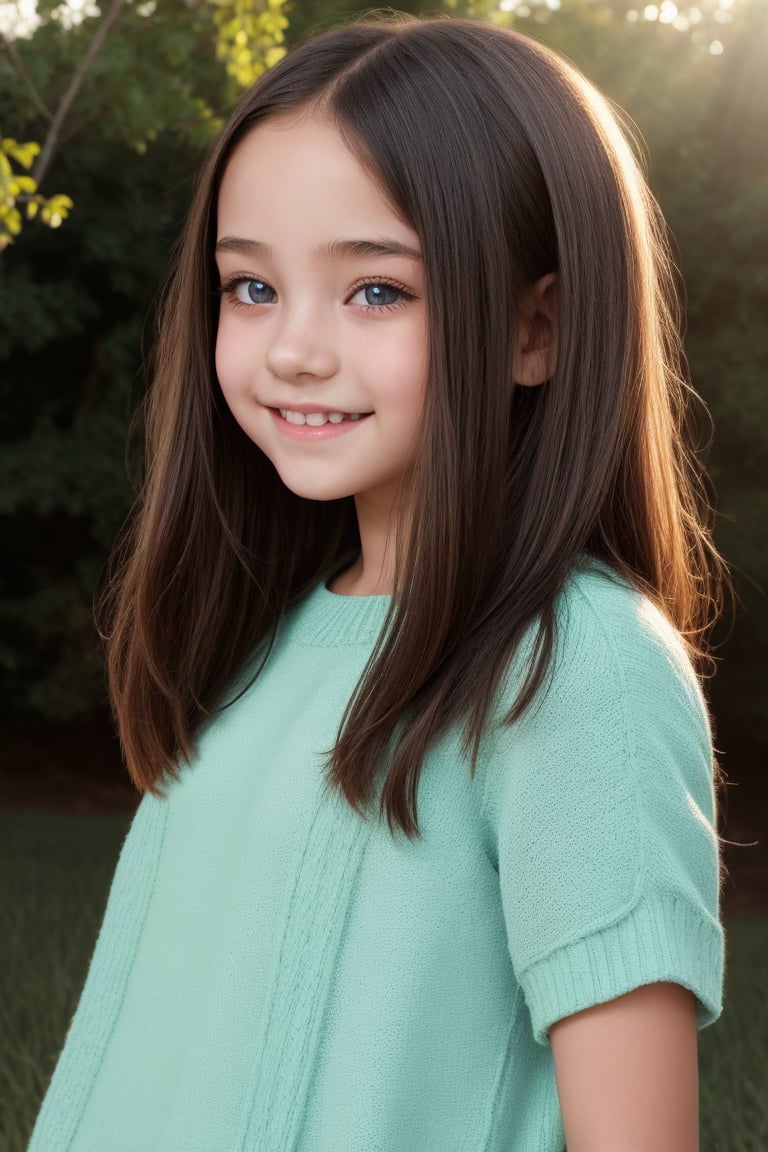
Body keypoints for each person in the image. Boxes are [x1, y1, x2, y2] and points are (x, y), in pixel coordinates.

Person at [28, 14, 730, 1152]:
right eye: (250, 288)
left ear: (534, 328)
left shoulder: (577, 666)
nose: (294, 347)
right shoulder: (263, 645)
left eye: (375, 293)